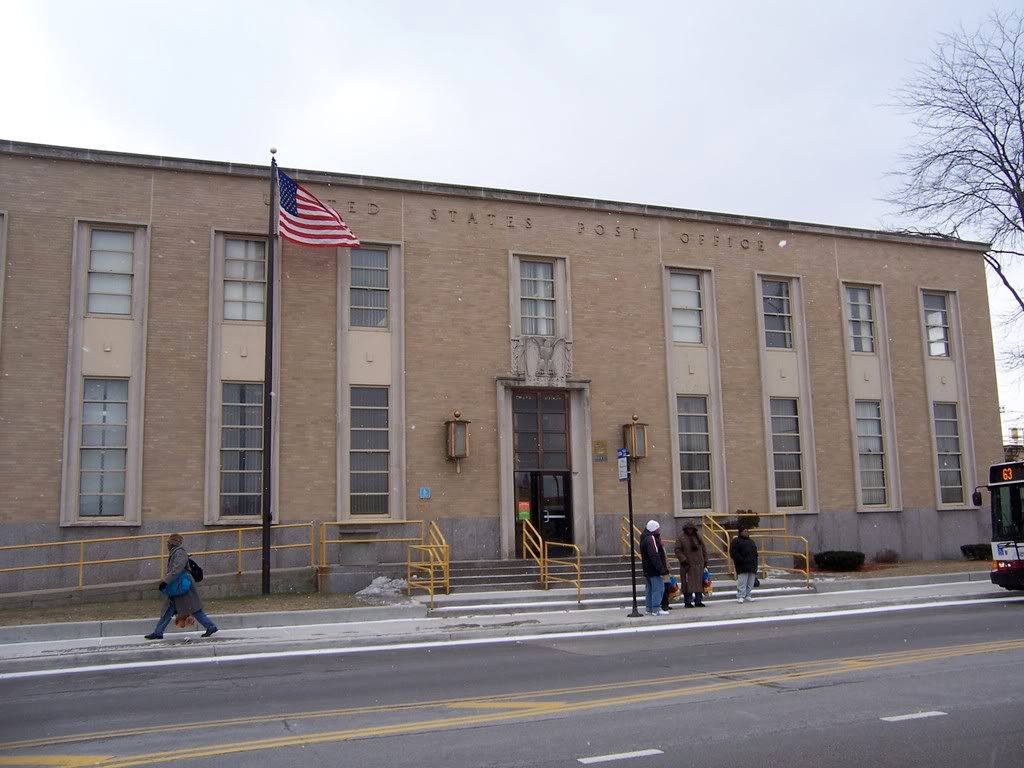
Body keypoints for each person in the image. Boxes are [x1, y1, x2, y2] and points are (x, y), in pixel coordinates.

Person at [145, 533, 218, 639]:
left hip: (182, 588)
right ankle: (158, 632)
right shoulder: (176, 552)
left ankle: (210, 626)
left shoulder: (179, 553)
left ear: (172, 543)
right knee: (169, 610)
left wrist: (165, 582)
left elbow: (176, 570)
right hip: (177, 587)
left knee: (193, 609)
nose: (167, 545)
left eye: (168, 543)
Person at [675, 519, 708, 607]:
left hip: (699, 564)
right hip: (687, 565)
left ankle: (698, 601)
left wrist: (705, 560)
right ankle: (688, 602)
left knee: (699, 584)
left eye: (691, 528)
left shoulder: (698, 537)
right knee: (687, 584)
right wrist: (683, 559)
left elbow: (703, 548)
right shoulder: (681, 538)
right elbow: (677, 550)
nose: (690, 530)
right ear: (685, 529)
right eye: (688, 528)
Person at [639, 519, 669, 616]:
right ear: (654, 529)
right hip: (654, 569)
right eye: (658, 528)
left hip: (648, 568)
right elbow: (654, 555)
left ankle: (649, 608)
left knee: (649, 589)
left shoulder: (644, 538)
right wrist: (661, 569)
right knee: (658, 588)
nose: (659, 530)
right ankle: (656, 608)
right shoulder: (651, 538)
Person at [729, 524, 759, 604]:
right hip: (742, 565)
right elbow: (733, 553)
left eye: (747, 531)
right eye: (744, 531)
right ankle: (740, 596)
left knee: (750, 582)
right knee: (742, 582)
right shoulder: (736, 541)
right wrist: (740, 560)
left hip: (752, 565)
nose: (746, 532)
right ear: (740, 532)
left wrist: (755, 564)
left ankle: (748, 595)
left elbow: (755, 554)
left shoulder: (751, 541)